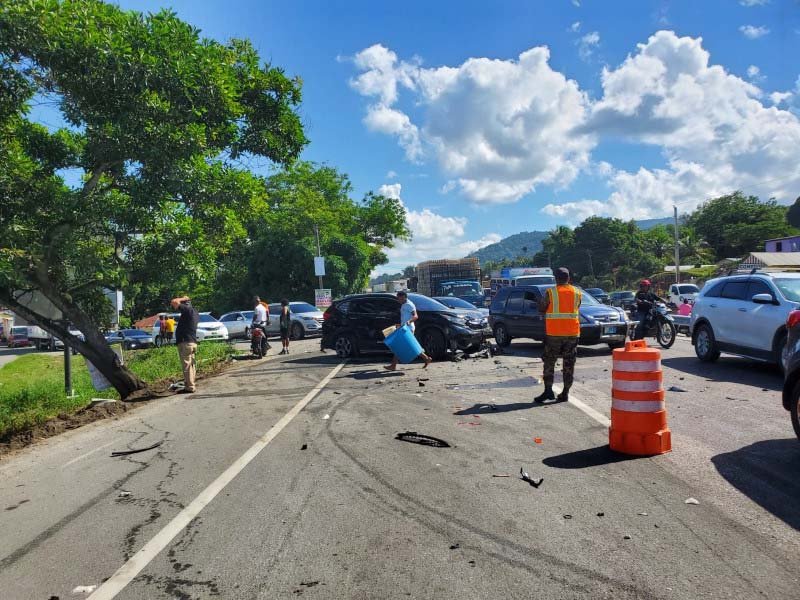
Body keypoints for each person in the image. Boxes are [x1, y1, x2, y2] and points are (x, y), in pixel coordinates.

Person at [534, 267, 582, 404]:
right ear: (569, 278)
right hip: (572, 333)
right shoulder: (577, 292)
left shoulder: (551, 292)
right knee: (569, 363)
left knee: (549, 362)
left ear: (556, 278)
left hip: (554, 334)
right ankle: (565, 393)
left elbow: (542, 308)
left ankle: (548, 391)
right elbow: (576, 307)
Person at [384, 291, 432, 371]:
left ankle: (393, 365)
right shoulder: (404, 305)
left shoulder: (409, 305)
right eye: (398, 299)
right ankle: (426, 358)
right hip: (404, 328)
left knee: (399, 346)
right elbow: (406, 317)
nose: (398, 300)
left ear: (404, 297)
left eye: (399, 299)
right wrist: (400, 324)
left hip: (408, 329)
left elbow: (416, 316)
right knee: (409, 346)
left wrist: (409, 322)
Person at [171, 296, 199, 394]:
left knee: (186, 365)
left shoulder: (187, 310)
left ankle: (190, 387)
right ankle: (190, 384)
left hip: (185, 342)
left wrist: (182, 298)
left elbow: (174, 302)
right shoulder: (194, 312)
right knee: (191, 364)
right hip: (192, 342)